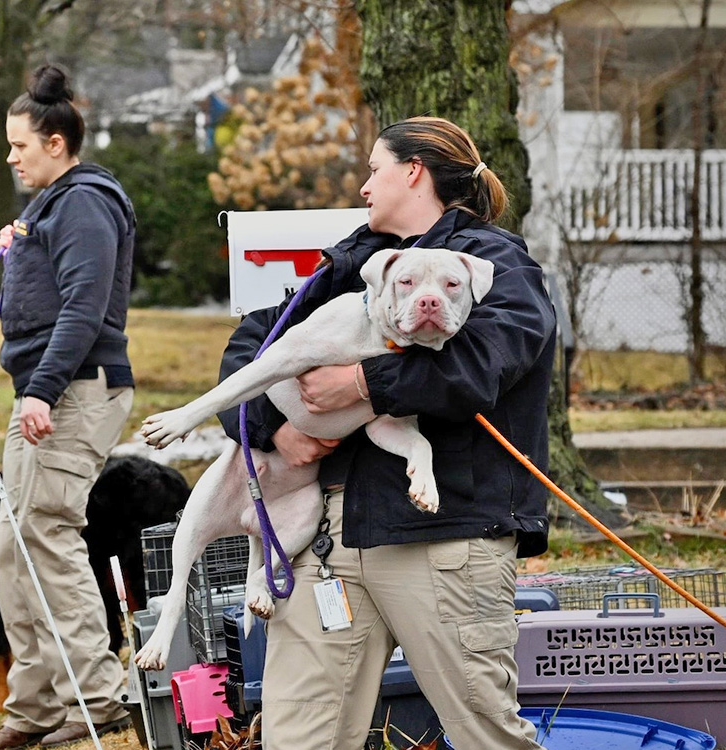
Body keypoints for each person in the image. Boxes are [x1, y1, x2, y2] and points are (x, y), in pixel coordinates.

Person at [217, 117, 556, 750]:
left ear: (413, 171)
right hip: (326, 547)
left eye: (375, 169)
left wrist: (365, 384)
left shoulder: (495, 264)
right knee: (298, 737)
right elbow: (251, 346)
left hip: (447, 536)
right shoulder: (351, 261)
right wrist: (273, 429)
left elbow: (483, 365)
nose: (366, 187)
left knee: (487, 735)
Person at [0, 63, 135, 750]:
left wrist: (41, 389)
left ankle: (96, 696)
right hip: (42, 387)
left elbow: (86, 304)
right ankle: (35, 705)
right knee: (13, 548)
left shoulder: (84, 202)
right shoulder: (52, 206)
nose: (11, 157)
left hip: (73, 387)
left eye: (19, 145)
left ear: (57, 144)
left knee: (48, 532)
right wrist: (24, 245)